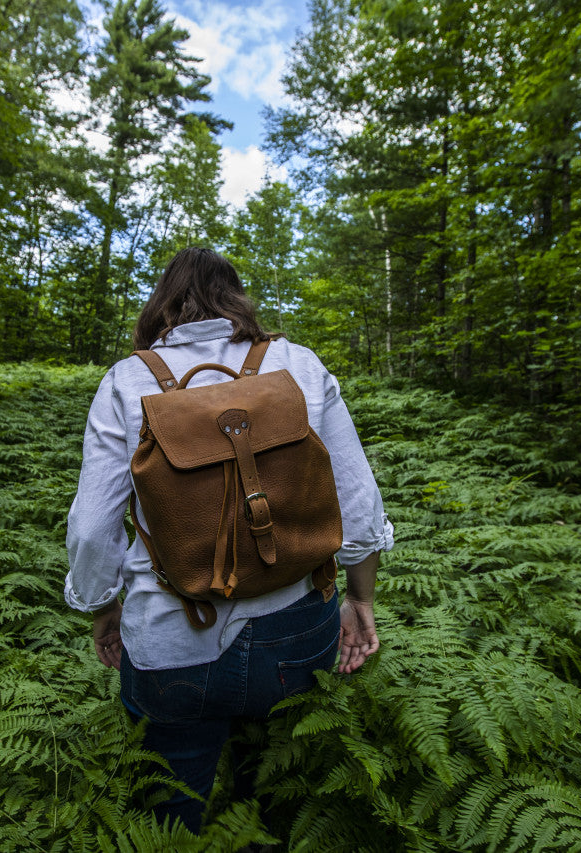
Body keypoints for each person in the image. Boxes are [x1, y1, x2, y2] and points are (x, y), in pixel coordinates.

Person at [64, 247, 393, 833]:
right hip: (295, 624)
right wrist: (361, 599)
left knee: (166, 813)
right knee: (278, 779)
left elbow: (92, 528)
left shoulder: (127, 379)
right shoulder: (297, 364)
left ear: (162, 306)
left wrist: (102, 610)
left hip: (170, 637)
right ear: (237, 299)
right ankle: (262, 835)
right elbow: (359, 504)